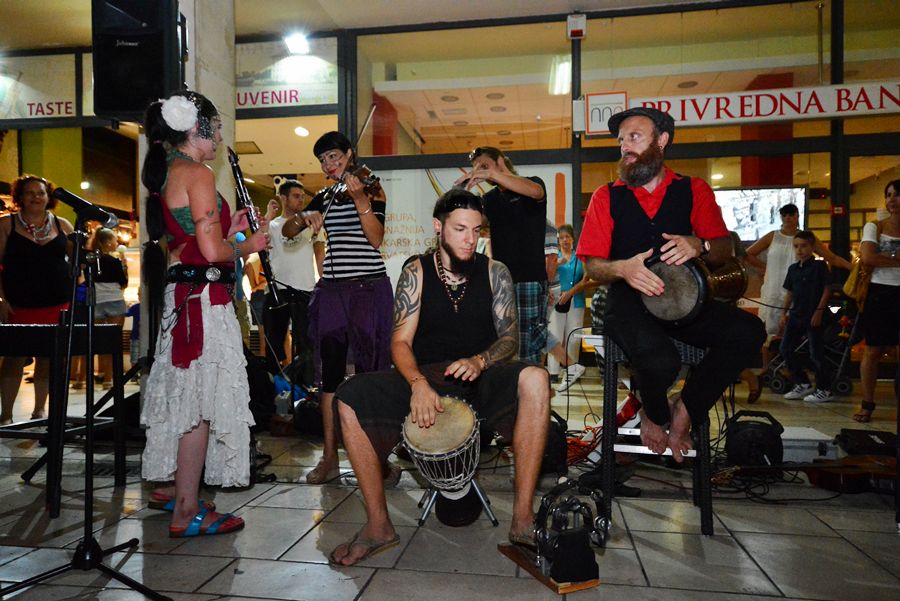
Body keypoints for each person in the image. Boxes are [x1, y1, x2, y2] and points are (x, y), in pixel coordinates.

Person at [329, 189, 549, 566]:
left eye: (476, 231)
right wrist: (417, 383)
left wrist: (481, 359)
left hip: (481, 376)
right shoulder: (417, 270)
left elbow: (510, 339)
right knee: (349, 396)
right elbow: (399, 341)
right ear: (438, 227)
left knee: (537, 378)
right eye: (461, 229)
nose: (470, 239)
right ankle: (379, 525)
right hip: (425, 375)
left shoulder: (496, 273)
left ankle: (523, 520)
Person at [577, 106, 765, 461]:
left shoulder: (693, 189)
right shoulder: (607, 195)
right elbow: (593, 265)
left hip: (686, 303)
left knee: (749, 331)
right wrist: (623, 269)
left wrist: (700, 244)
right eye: (621, 141)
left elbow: (724, 249)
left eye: (634, 137)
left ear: (661, 141)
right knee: (661, 361)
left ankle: (686, 408)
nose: (625, 147)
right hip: (629, 305)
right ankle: (656, 413)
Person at [139, 91, 269, 537]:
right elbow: (213, 252)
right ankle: (187, 510)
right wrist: (249, 245)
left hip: (183, 300)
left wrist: (226, 233)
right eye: (214, 126)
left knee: (188, 403)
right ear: (196, 129)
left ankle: (180, 494)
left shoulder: (168, 171)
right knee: (200, 407)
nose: (219, 136)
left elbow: (184, 242)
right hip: (202, 306)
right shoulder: (196, 171)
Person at [282, 131, 392, 484]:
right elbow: (287, 230)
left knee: (370, 373)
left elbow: (376, 239)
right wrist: (304, 219)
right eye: (323, 161)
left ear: (349, 153)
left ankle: (377, 456)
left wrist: (360, 200)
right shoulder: (325, 195)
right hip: (332, 291)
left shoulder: (371, 189)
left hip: (368, 289)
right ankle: (329, 457)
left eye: (333, 156)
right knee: (329, 375)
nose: (329, 165)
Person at [455, 147, 547, 364]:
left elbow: (536, 192)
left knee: (528, 348)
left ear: (501, 162)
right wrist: (460, 193)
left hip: (529, 279)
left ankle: (533, 391)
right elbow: (474, 222)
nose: (481, 172)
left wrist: (494, 174)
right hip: (500, 281)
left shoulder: (531, 184)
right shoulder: (489, 199)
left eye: (484, 166)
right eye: (476, 168)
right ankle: (507, 394)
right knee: (501, 344)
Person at [0, 174, 74, 424]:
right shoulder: (6, 224)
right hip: (18, 303)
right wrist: (1, 300)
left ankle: (40, 411)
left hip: (57, 303)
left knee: (49, 359)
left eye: (41, 192)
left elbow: (77, 262)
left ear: (48, 197)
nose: (36, 197)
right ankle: (7, 414)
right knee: (13, 359)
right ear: (20, 197)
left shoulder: (62, 225)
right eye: (30, 192)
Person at [746, 203, 850, 338]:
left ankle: (789, 358)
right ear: (781, 217)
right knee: (769, 334)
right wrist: (766, 268)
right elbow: (748, 254)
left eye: (791, 214)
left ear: (797, 216)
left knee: (794, 335)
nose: (787, 218)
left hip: (799, 293)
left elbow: (832, 257)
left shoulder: (805, 239)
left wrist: (852, 267)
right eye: (784, 215)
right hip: (773, 292)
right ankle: (772, 359)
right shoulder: (772, 236)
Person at [263, 179, 322, 383]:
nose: (301, 200)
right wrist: (268, 217)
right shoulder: (272, 225)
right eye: (296, 196)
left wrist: (323, 283)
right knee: (274, 345)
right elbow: (259, 244)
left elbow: (319, 252)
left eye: (302, 197)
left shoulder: (310, 224)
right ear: (283, 197)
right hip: (277, 289)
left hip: (305, 290)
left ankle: (304, 392)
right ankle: (274, 390)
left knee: (306, 347)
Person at [854, 179, 900, 422]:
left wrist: (888, 256)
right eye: (889, 194)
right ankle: (867, 403)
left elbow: (876, 255)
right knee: (872, 350)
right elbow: (869, 257)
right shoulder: (875, 226)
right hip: (880, 292)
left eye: (897, 195)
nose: (892, 199)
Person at [779, 231, 834, 403]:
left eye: (804, 246)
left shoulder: (819, 266)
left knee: (816, 353)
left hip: (814, 315)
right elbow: (790, 293)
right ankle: (802, 382)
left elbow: (827, 289)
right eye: (796, 246)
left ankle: (825, 389)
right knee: (785, 348)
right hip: (797, 315)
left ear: (811, 247)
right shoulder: (793, 269)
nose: (800, 250)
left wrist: (819, 311)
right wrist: (784, 312)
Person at [551, 224, 589, 392]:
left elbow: (587, 279)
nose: (565, 240)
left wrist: (571, 292)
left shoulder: (580, 257)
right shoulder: (554, 257)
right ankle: (553, 372)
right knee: (556, 335)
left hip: (577, 300)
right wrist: (557, 263)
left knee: (574, 335)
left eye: (568, 237)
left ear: (573, 239)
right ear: (558, 240)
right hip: (557, 301)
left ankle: (571, 371)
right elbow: (547, 276)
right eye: (562, 237)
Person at [91, 227, 128, 390]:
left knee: (100, 342)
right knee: (114, 341)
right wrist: (123, 262)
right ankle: (110, 379)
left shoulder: (91, 260)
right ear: (107, 242)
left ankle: (102, 377)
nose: (116, 243)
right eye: (114, 240)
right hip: (114, 300)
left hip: (96, 301)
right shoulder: (115, 262)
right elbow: (123, 283)